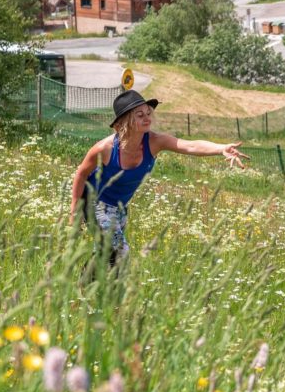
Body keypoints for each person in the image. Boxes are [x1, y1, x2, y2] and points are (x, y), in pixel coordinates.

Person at [70, 89, 248, 263]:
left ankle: (87, 286)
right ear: (123, 123)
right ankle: (104, 288)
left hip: (120, 207)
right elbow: (81, 174)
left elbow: (189, 146)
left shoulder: (155, 142)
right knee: (119, 252)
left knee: (107, 255)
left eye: (148, 113)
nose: (147, 118)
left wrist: (220, 148)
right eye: (139, 115)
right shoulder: (105, 149)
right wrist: (74, 213)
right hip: (94, 203)